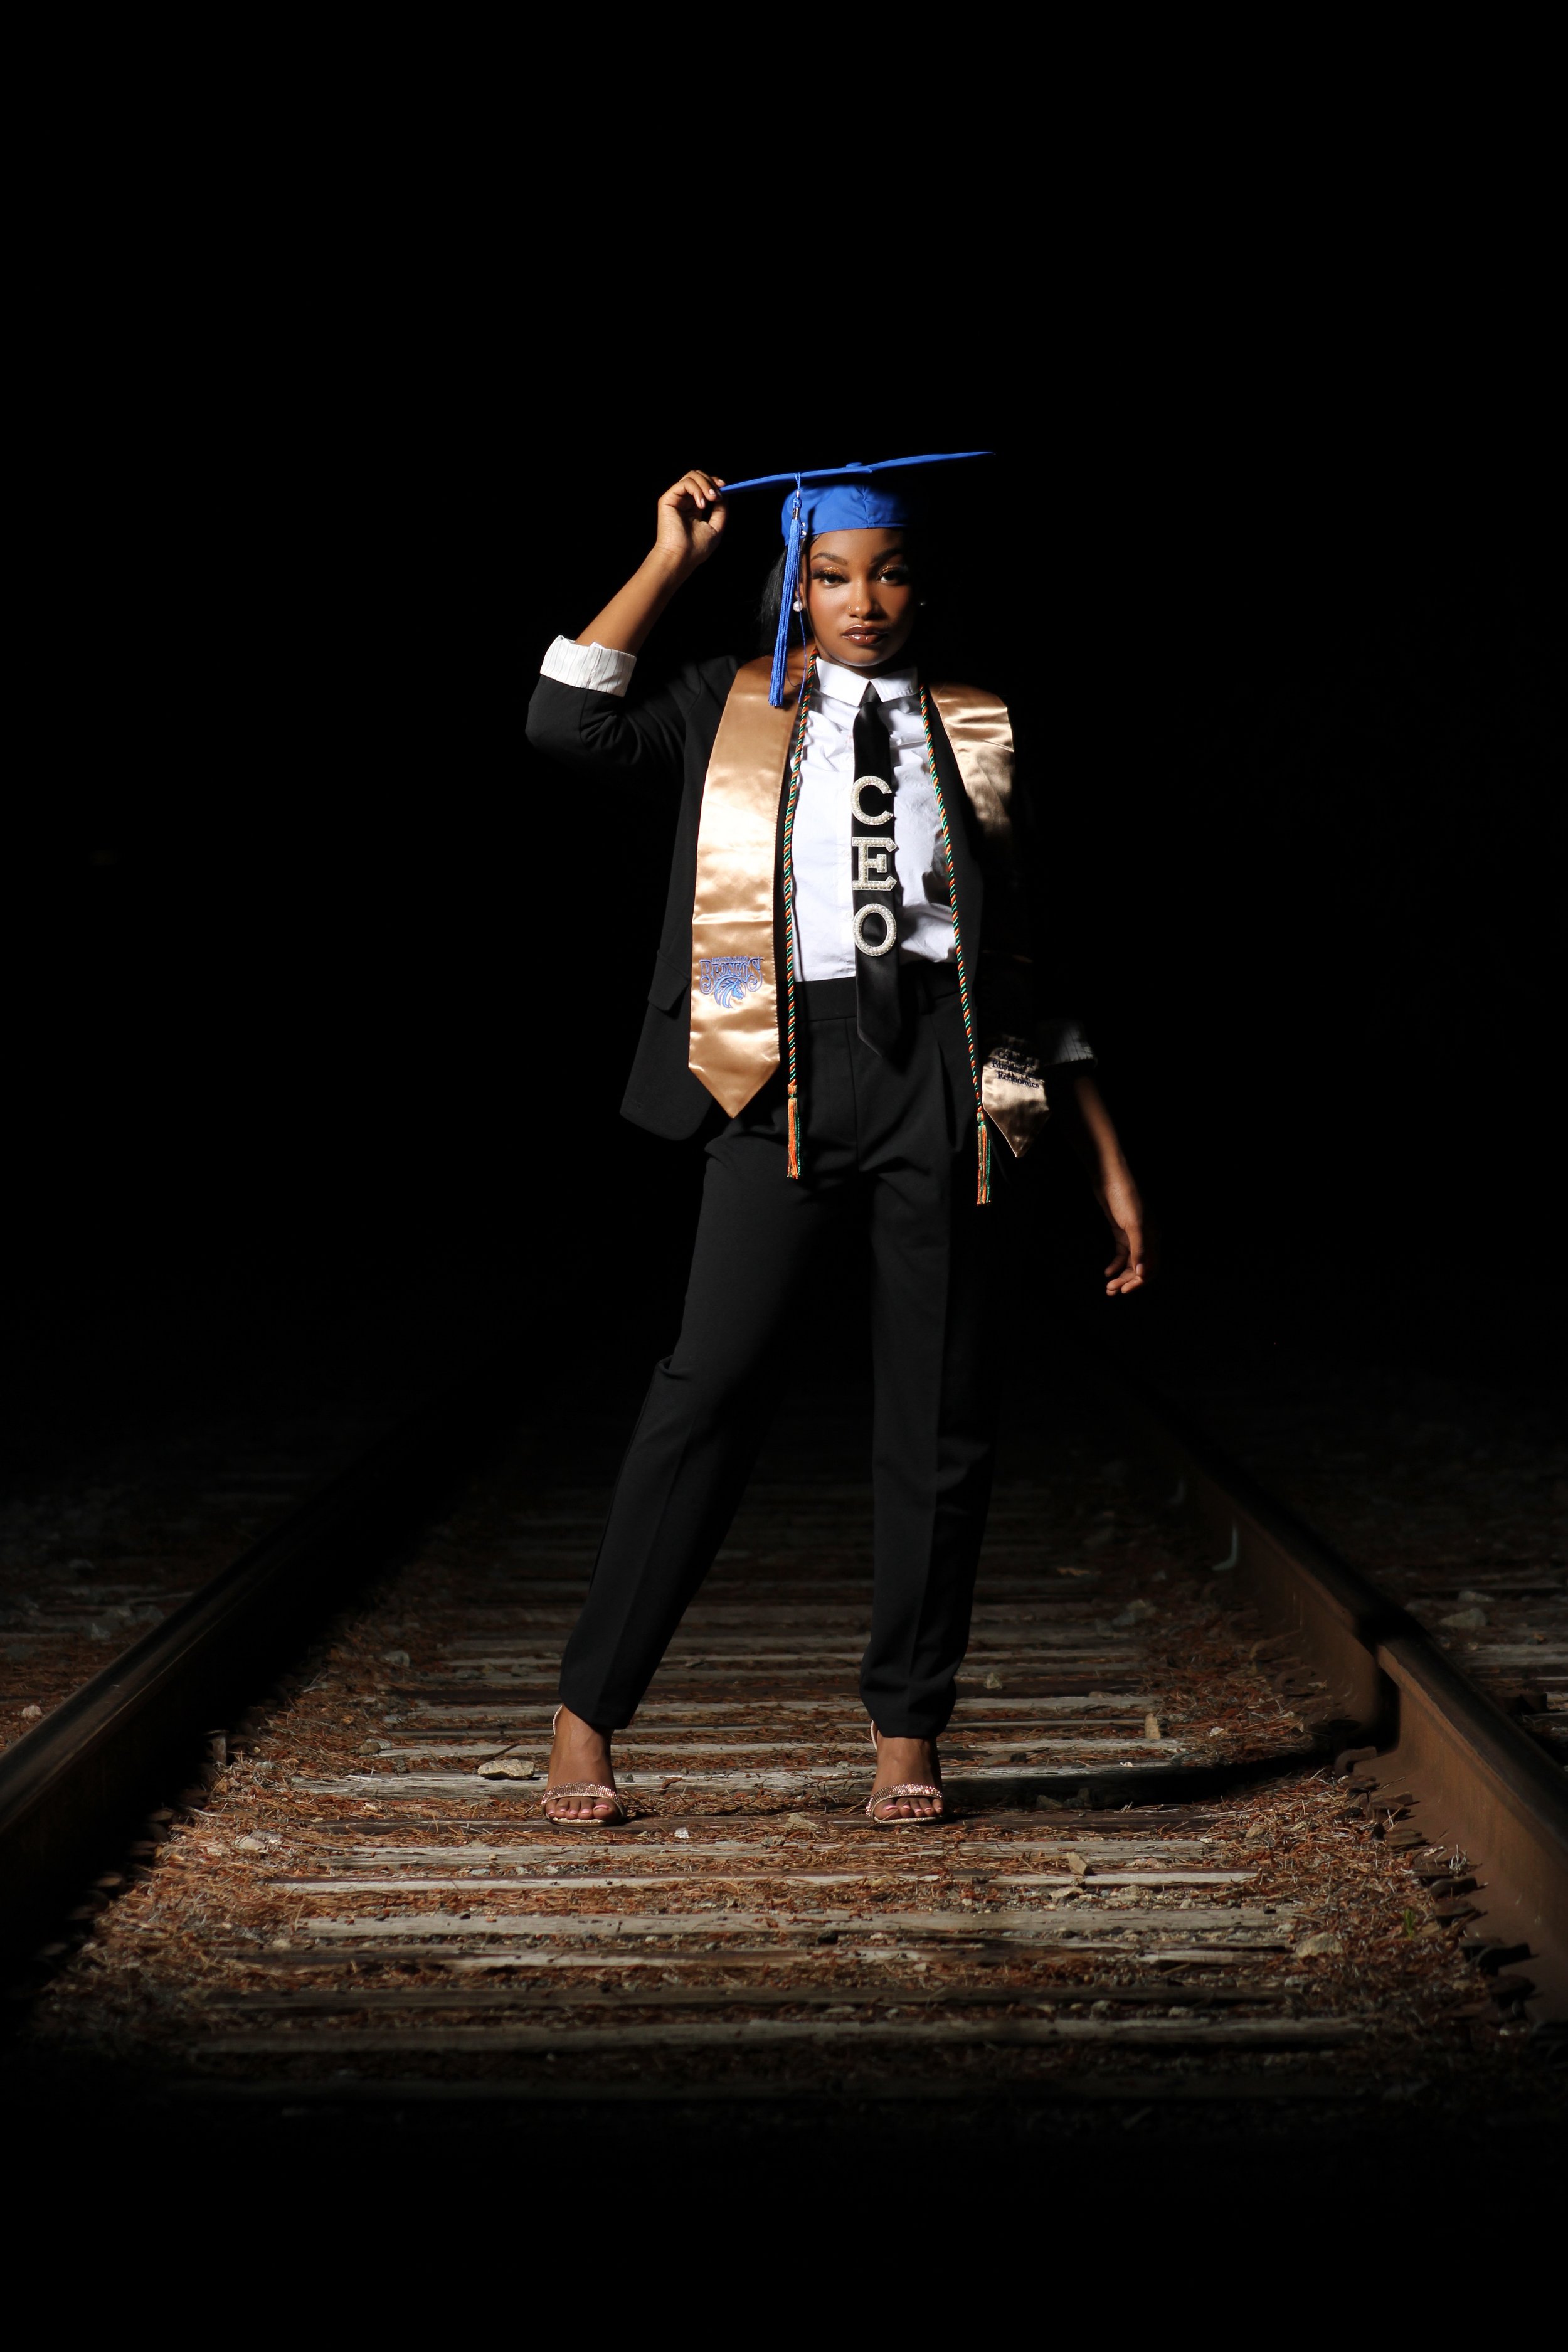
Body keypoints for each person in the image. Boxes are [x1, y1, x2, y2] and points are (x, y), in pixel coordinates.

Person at [522, 456, 1148, 1826]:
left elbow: (1036, 955)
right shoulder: (721, 705)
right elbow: (564, 721)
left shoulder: (973, 724)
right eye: (832, 575)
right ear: (794, 583)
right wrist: (668, 565)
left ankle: (906, 1730)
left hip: (949, 1069)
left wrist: (1101, 1152)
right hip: (775, 1074)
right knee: (706, 1386)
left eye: (889, 573)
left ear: (921, 583)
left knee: (937, 1412)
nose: (863, 602)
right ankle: (587, 1712)